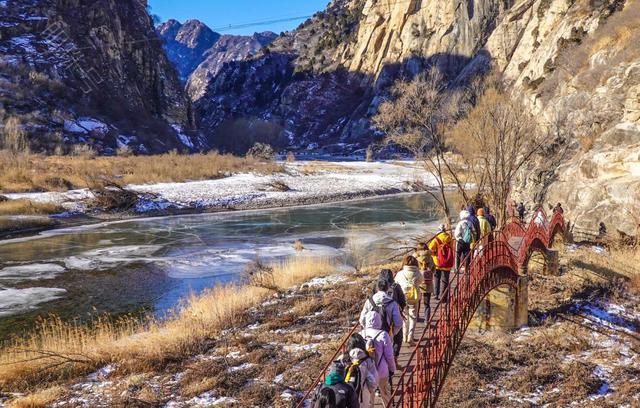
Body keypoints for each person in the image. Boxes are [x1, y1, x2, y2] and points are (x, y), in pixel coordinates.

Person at [360, 311, 396, 406]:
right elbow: (389, 355)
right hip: (381, 370)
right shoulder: (383, 334)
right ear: (379, 321)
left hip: (366, 371)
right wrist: (392, 369)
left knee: (369, 398)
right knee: (385, 393)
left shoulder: (361, 334)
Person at [359, 279, 403, 344]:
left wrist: (366, 328)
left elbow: (362, 319)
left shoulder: (369, 301)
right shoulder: (393, 303)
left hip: (369, 336)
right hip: (386, 335)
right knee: (387, 353)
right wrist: (392, 333)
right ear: (388, 288)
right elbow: (398, 323)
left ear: (377, 288)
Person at [374, 269, 406, 361]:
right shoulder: (396, 286)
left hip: (377, 318)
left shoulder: (376, 286)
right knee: (398, 337)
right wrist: (401, 310)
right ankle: (394, 358)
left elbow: (371, 299)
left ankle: (380, 359)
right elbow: (402, 301)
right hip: (393, 315)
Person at [394, 256, 424, 344]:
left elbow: (396, 283)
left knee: (405, 317)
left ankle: (404, 336)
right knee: (413, 317)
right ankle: (410, 337)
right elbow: (421, 281)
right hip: (414, 298)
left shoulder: (400, 273)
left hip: (403, 298)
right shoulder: (418, 273)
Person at [341, 342, 377, 408]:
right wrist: (370, 391)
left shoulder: (346, 362)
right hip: (362, 396)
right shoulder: (364, 364)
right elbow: (372, 382)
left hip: (348, 396)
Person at [428, 225, 454, 302]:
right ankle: (444, 297)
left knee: (436, 279)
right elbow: (451, 247)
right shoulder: (449, 238)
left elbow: (430, 250)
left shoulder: (436, 239)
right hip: (447, 263)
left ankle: (436, 294)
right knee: (445, 280)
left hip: (437, 263)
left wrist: (435, 254)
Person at [413, 243, 433, 321]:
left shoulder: (415, 258)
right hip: (428, 284)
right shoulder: (430, 258)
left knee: (417, 302)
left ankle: (416, 317)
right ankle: (426, 320)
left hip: (418, 283)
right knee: (427, 304)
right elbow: (433, 269)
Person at [454, 209, 474, 274]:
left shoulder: (460, 223)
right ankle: (466, 269)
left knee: (458, 254)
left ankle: (457, 269)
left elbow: (456, 234)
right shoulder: (470, 223)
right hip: (468, 242)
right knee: (467, 255)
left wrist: (458, 238)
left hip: (460, 242)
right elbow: (474, 231)